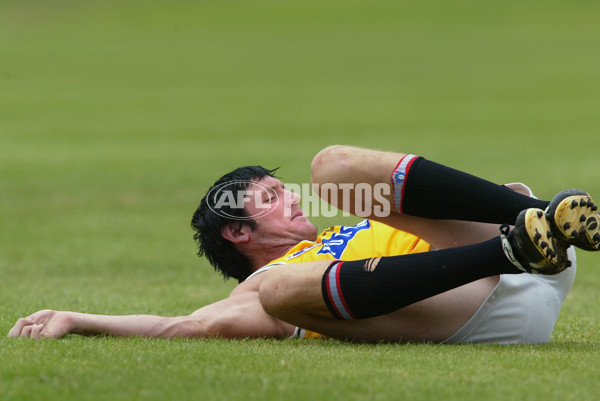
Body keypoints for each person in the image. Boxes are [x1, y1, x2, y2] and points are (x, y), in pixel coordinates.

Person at [8, 146, 600, 343]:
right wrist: (76, 318)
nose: (292, 199)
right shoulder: (255, 286)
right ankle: (514, 246)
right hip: (477, 307)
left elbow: (346, 182)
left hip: (536, 258)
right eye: (270, 198)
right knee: (281, 289)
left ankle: (536, 221)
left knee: (332, 167)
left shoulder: (340, 225)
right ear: (239, 233)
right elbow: (187, 326)